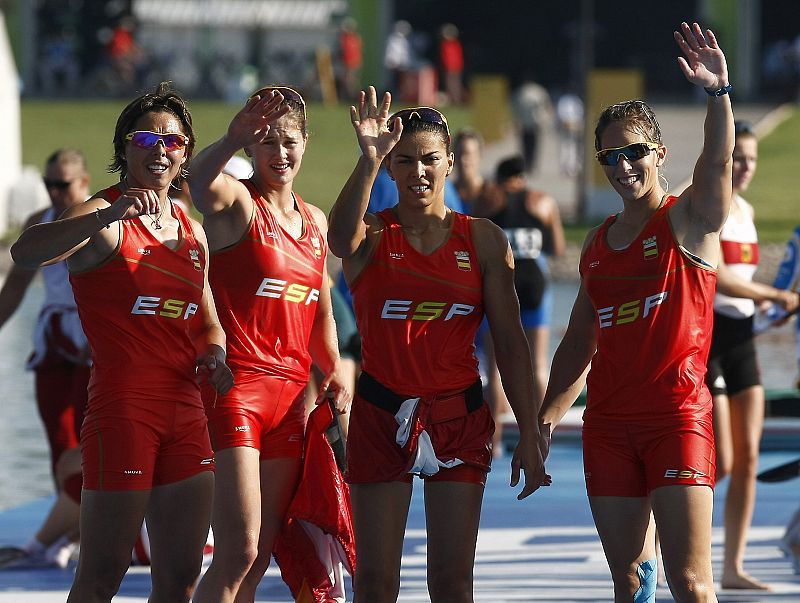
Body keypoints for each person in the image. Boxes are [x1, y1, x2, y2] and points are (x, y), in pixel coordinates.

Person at [10, 81, 234, 602]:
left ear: (185, 153)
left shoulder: (191, 231)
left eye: (172, 142)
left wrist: (215, 354)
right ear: (125, 146)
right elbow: (26, 253)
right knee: (101, 574)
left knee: (180, 576)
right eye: (147, 139)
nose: (160, 151)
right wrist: (106, 217)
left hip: (185, 412)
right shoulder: (103, 216)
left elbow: (207, 321)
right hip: (123, 412)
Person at [327, 88, 548, 603]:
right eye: (403, 161)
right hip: (382, 414)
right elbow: (338, 241)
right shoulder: (373, 235)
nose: (418, 172)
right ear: (389, 167)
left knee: (452, 585)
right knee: (376, 585)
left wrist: (532, 433)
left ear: (450, 162)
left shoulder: (485, 239)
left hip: (458, 415)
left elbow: (511, 347)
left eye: (429, 159)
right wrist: (367, 158)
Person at [539, 22, 733, 602]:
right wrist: (545, 419)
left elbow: (717, 166)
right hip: (609, 426)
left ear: (659, 152)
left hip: (676, 420)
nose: (623, 165)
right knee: (630, 580)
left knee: (690, 583)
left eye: (635, 152)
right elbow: (578, 339)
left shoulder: (686, 220)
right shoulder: (597, 243)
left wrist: (718, 95)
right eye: (611, 155)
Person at [187, 85, 352, 602]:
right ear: (252, 149)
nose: (280, 154)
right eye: (267, 142)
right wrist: (232, 137)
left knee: (260, 557)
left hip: (292, 399)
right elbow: (196, 182)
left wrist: (333, 372)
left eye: (289, 142)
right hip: (237, 388)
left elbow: (320, 309)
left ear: (305, 142)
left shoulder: (315, 221)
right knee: (235, 552)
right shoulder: (238, 201)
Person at [705, 120, 800, 590]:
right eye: (738, 156)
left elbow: (744, 290)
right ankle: (666, 544)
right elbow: (717, 277)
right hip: (710, 343)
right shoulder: (710, 208)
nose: (745, 166)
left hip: (744, 341)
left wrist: (770, 306)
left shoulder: (747, 209)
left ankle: (733, 567)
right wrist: (772, 294)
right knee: (718, 460)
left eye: (752, 159)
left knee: (748, 458)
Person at [0, 149, 91, 568]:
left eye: (64, 184)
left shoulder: (102, 215)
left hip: (96, 340)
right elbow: (16, 288)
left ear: (84, 182)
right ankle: (68, 526)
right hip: (55, 339)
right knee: (59, 438)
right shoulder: (40, 222)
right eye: (50, 184)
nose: (56, 192)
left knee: (94, 441)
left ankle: (86, 531)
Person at [484, 155, 565, 456]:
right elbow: (556, 248)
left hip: (502, 288)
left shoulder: (489, 201)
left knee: (495, 368)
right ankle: (542, 435)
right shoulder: (543, 201)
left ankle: (493, 441)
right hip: (534, 286)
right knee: (538, 365)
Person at [511, 73, 553, 175]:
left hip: (524, 123)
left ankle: (527, 164)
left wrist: (516, 122)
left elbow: (515, 108)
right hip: (535, 122)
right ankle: (531, 165)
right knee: (534, 146)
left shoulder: (520, 92)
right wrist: (546, 120)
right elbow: (547, 106)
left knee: (525, 145)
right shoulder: (539, 92)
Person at [452, 129, 499, 217]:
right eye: (459, 154)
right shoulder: (445, 194)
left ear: (479, 155)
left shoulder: (492, 195)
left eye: (467, 154)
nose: (463, 160)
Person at [337, 17, 363, 101]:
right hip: (347, 63)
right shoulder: (345, 38)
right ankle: (349, 97)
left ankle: (353, 97)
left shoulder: (353, 38)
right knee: (348, 81)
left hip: (352, 63)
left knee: (350, 81)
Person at [438, 23, 464, 105]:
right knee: (451, 84)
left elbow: (457, 57)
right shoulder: (446, 44)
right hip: (450, 68)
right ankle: (453, 100)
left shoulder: (454, 44)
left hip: (454, 68)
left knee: (454, 84)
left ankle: (456, 100)